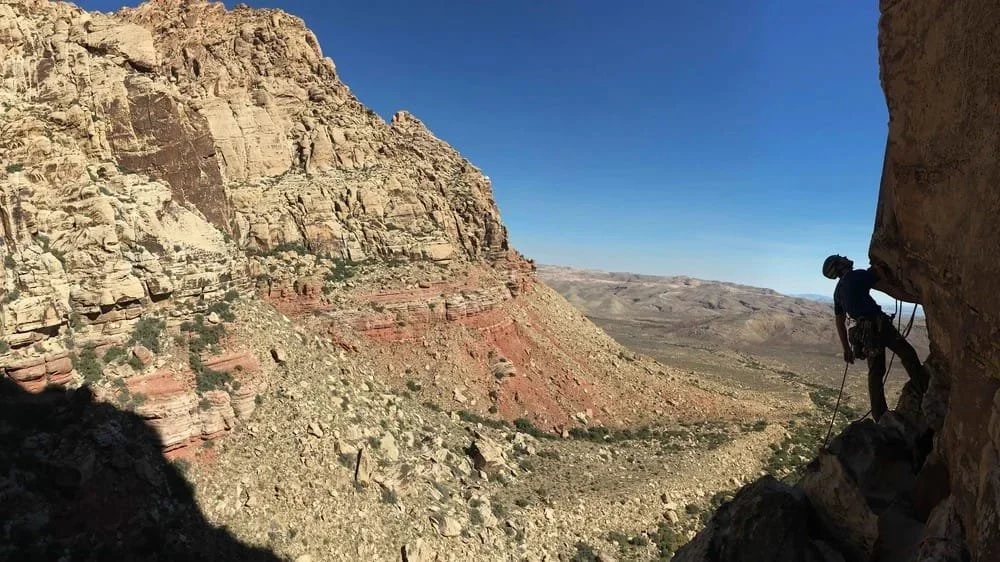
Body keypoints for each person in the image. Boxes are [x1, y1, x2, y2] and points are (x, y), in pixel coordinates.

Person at [822, 254, 928, 421]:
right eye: (841, 258)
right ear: (839, 266)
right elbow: (879, 273)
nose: (845, 257)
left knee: (876, 372)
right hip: (880, 326)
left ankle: (880, 415)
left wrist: (846, 349)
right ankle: (925, 389)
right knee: (907, 353)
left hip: (867, 333)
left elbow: (839, 322)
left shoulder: (838, 291)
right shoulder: (855, 277)